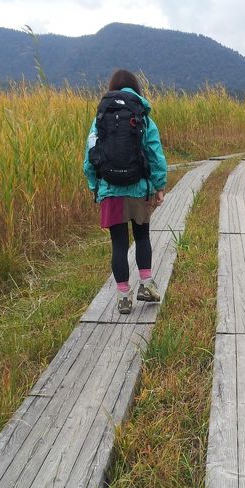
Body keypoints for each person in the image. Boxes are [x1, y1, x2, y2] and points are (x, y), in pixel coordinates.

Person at [83, 68, 168, 314]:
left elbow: (91, 156)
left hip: (111, 190)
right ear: (136, 89)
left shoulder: (101, 117)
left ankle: (123, 297)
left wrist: (94, 185)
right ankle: (145, 285)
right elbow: (154, 152)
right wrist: (158, 185)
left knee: (118, 244)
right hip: (138, 188)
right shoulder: (142, 115)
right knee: (142, 237)